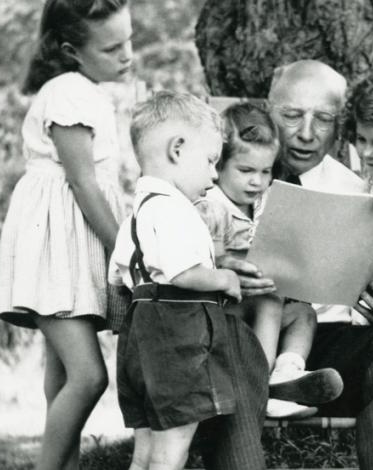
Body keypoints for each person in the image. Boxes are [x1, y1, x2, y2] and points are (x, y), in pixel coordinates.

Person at [220, 59, 373, 470]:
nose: (306, 134)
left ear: (340, 125)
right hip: (248, 334)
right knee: (231, 341)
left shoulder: (360, 194)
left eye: (323, 119)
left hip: (328, 352)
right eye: (291, 116)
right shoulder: (228, 180)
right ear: (269, 109)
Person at [0, 1, 131, 469]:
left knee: (63, 373)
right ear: (72, 51)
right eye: (113, 48)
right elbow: (82, 182)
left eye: (129, 41)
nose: (127, 55)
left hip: (70, 246)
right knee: (89, 376)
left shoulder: (86, 90)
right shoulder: (68, 91)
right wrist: (123, 247)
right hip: (56, 245)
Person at [111, 91, 267, 470]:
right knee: (172, 451)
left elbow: (119, 279)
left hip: (140, 340)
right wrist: (225, 278)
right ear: (178, 149)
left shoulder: (139, 212)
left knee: (146, 451)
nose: (214, 177)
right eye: (211, 161)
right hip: (176, 340)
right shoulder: (173, 209)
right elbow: (184, 273)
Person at [194, 102, 343, 419]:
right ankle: (259, 389)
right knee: (270, 303)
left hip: (259, 307)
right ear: (218, 166)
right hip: (223, 312)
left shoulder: (265, 202)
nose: (256, 182)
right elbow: (206, 259)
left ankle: (285, 375)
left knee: (303, 313)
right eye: (246, 171)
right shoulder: (211, 205)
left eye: (266, 172)